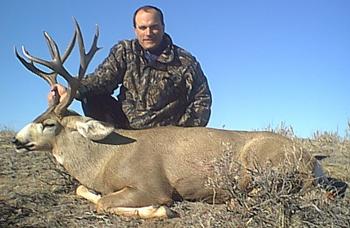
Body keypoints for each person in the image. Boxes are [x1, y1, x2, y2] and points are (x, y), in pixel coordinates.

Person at [50, 5, 212, 129]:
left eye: (154, 27)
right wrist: (71, 90)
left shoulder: (185, 61)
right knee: (91, 97)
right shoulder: (125, 51)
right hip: (126, 127)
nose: (148, 32)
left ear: (163, 27)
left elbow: (201, 98)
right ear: (135, 30)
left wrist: (184, 132)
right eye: (142, 28)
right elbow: (101, 80)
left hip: (166, 135)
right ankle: (108, 149)